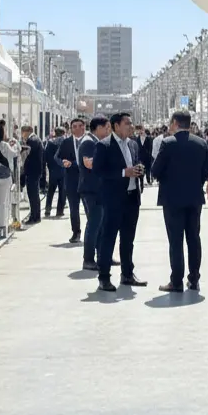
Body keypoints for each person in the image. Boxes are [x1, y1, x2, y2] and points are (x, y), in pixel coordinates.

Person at [152, 110, 208, 293]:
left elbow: (155, 171)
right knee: (194, 238)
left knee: (175, 241)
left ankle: (176, 281)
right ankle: (194, 279)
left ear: (175, 123)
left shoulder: (167, 143)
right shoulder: (201, 143)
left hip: (172, 199)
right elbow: (205, 173)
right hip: (194, 198)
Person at [92, 112, 146, 292]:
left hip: (132, 197)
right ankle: (104, 277)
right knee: (109, 238)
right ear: (116, 126)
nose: (131, 126)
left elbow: (136, 162)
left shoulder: (133, 144)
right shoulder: (104, 146)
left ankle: (127, 274)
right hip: (113, 199)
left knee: (128, 239)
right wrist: (124, 173)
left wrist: (139, 170)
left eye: (131, 123)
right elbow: (99, 172)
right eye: (127, 123)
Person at [78, 114, 112, 271]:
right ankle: (89, 259)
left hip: (98, 190)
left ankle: (102, 256)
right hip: (91, 190)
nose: (108, 131)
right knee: (94, 224)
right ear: (98, 128)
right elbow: (90, 164)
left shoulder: (95, 142)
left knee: (100, 224)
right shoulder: (88, 143)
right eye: (106, 128)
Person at [55, 117, 86, 244]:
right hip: (71, 180)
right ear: (71, 129)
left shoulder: (90, 141)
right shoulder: (66, 142)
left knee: (90, 208)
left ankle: (94, 232)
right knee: (74, 208)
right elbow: (57, 157)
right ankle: (76, 232)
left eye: (80, 126)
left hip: (87, 180)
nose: (77, 128)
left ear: (84, 127)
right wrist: (62, 162)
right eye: (74, 126)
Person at [21, 125, 44, 225]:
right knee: (34, 195)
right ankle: (35, 216)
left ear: (27, 131)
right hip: (35, 171)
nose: (22, 135)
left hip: (32, 171)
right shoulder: (36, 139)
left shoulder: (32, 140)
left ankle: (34, 217)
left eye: (23, 133)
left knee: (33, 195)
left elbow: (27, 154)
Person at [43, 127, 67, 218]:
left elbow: (47, 157)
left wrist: (50, 167)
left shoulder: (50, 143)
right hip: (63, 170)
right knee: (62, 192)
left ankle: (47, 210)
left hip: (53, 170)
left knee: (51, 191)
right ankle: (59, 211)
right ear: (63, 133)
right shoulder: (65, 143)